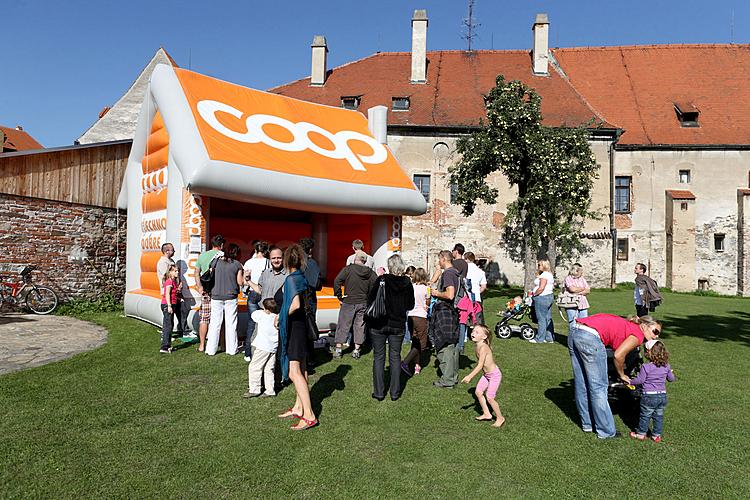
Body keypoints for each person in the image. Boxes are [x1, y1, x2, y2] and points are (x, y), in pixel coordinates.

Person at [569, 313, 662, 439]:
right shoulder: (638, 335)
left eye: (658, 334)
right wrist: (622, 375)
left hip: (575, 330)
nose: (656, 336)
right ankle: (606, 431)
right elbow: (618, 355)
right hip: (590, 336)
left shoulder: (630, 326)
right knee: (598, 388)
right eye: (655, 331)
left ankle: (588, 424)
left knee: (582, 384)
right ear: (645, 326)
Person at [276, 244, 318, 431]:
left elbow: (295, 304)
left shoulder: (292, 279)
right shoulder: (302, 277)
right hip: (301, 327)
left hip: (295, 328)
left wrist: (281, 316)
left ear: (286, 261)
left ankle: (309, 415)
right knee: (301, 368)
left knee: (294, 372)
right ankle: (298, 407)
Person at [367, 254, 414, 401]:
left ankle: (379, 392)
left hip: (379, 323)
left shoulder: (382, 280)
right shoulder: (407, 282)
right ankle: (395, 392)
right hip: (398, 324)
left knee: (379, 357)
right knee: (395, 357)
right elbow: (410, 305)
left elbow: (370, 299)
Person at [332, 250, 377, 359]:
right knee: (359, 326)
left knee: (343, 325)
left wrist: (339, 295)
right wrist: (369, 297)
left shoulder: (348, 269)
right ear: (365, 261)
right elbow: (376, 286)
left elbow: (337, 281)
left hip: (349, 301)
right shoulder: (370, 273)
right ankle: (356, 350)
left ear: (355, 259)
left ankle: (338, 349)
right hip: (363, 302)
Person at [629, 339, 675, 443]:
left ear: (648, 353)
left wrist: (630, 381)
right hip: (662, 396)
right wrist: (671, 372)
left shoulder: (646, 367)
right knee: (658, 416)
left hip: (649, 396)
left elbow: (640, 380)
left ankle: (641, 434)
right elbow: (671, 379)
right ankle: (656, 435)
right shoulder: (666, 366)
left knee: (645, 415)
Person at [461, 325, 505, 428]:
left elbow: (480, 365)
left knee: (490, 397)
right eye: (473, 331)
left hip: (494, 375)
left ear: (484, 337)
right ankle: (487, 414)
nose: (473, 333)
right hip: (487, 375)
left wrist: (469, 376)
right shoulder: (478, 345)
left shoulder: (483, 347)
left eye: (477, 332)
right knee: (478, 392)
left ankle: (500, 418)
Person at [205, 243, 244, 356]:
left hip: (216, 295)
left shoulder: (215, 262)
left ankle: (210, 349)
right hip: (231, 296)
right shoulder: (237, 264)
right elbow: (240, 282)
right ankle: (232, 349)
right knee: (231, 323)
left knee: (214, 323)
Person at [429, 250, 460, 388]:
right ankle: (452, 377)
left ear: (443, 259)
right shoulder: (455, 272)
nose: (438, 262)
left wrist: (436, 293)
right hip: (452, 312)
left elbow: (450, 294)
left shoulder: (448, 273)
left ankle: (447, 380)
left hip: (445, 312)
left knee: (444, 345)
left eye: (439, 259)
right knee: (452, 346)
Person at [244, 298, 280, 398]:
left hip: (262, 346)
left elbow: (253, 315)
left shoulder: (261, 315)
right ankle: (270, 390)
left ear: (264, 307)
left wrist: (262, 309)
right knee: (269, 369)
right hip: (273, 347)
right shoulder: (277, 317)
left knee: (255, 367)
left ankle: (254, 389)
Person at [194, 235, 225, 352]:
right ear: (221, 245)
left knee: (204, 318)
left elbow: (196, 273)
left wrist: (200, 287)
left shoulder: (203, 256)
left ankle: (202, 345)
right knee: (220, 318)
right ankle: (222, 344)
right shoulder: (222, 256)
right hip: (219, 291)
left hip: (206, 290)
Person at [242, 240, 270, 361]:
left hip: (252, 293)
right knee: (266, 323)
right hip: (264, 293)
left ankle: (248, 352)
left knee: (251, 323)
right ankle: (263, 349)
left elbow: (244, 280)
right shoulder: (268, 263)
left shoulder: (249, 262)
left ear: (255, 250)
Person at [402, 267, 429, 376]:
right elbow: (427, 302)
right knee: (422, 343)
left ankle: (416, 365)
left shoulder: (411, 287)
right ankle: (405, 362)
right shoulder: (426, 288)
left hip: (410, 316)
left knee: (415, 340)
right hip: (420, 316)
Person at [157, 242, 186, 339]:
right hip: (169, 294)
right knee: (168, 318)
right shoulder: (163, 262)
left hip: (175, 294)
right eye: (172, 249)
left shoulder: (171, 261)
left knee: (176, 314)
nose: (174, 251)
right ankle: (165, 336)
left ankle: (181, 330)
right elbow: (167, 279)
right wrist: (176, 286)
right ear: (167, 251)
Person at [530, 259, 555, 344]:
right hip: (549, 296)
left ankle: (540, 338)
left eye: (539, 265)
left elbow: (541, 288)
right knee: (548, 318)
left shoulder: (544, 275)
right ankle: (549, 337)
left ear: (544, 265)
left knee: (541, 319)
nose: (538, 266)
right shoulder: (549, 275)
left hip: (542, 297)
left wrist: (534, 294)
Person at [159, 264, 180, 353]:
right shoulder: (169, 282)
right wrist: (169, 306)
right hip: (167, 305)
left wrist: (179, 299)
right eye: (175, 271)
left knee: (169, 324)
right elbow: (167, 294)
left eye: (177, 271)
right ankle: (164, 347)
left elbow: (173, 294)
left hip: (171, 304)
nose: (177, 272)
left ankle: (167, 346)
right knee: (168, 325)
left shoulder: (173, 281)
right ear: (170, 272)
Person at [564, 263, 591, 328]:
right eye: (580, 271)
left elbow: (588, 290)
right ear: (575, 271)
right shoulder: (568, 278)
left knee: (584, 324)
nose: (582, 273)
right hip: (571, 303)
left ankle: (581, 338)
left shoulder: (582, 279)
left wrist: (577, 291)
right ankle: (573, 338)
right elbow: (572, 289)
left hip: (583, 303)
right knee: (573, 324)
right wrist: (582, 289)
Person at [464, 252, 487, 324]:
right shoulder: (480, 271)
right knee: (477, 318)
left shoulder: (465, 270)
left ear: (467, 259)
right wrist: (477, 291)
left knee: (463, 318)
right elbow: (483, 286)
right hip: (477, 297)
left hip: (465, 296)